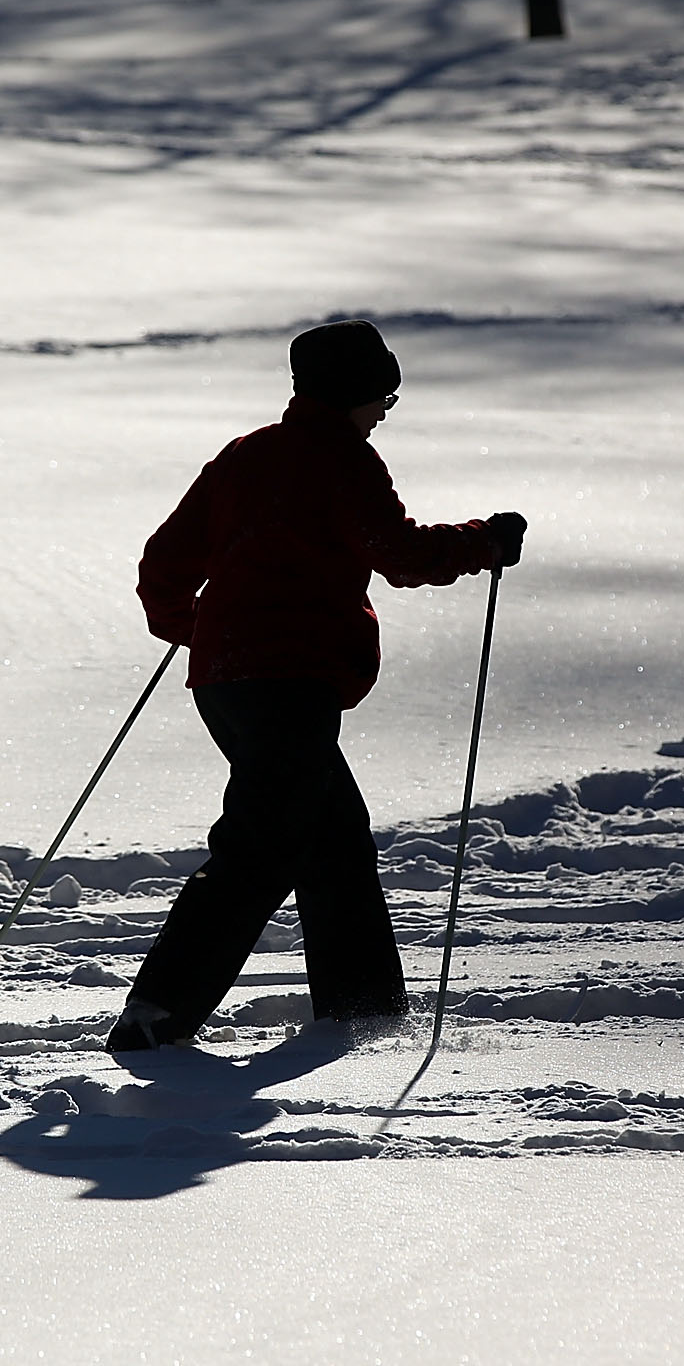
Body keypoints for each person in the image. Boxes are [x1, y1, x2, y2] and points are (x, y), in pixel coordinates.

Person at [107, 320, 525, 1054]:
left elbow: (164, 565)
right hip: (288, 683)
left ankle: (363, 1012)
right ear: (355, 393)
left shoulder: (246, 456)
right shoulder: (343, 459)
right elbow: (399, 554)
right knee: (261, 848)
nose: (385, 411)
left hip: (226, 683)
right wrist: (483, 543)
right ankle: (157, 1013)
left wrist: (196, 628)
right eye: (382, 396)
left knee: (333, 841)